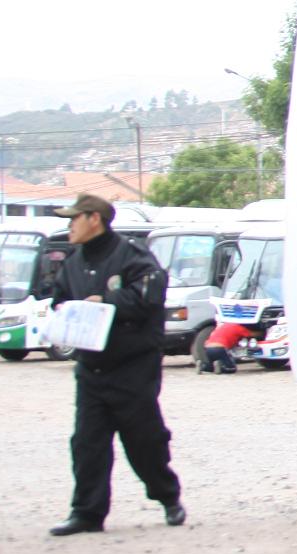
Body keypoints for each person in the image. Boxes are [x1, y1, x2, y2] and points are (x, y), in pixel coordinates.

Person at [34, 194, 185, 536]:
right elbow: (60, 300)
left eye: (74, 219)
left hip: (133, 368)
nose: (69, 226)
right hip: (92, 368)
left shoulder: (131, 254)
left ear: (94, 219)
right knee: (87, 443)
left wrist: (107, 301)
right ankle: (86, 513)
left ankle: (168, 497)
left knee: (144, 441)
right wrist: (63, 315)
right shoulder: (74, 263)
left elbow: (151, 294)